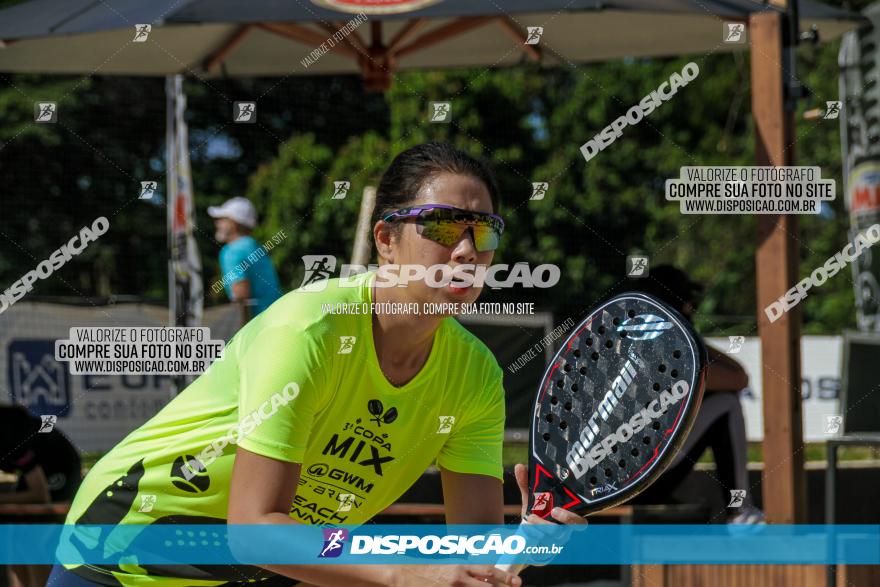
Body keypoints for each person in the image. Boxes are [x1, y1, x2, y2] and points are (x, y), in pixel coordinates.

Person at [50, 142, 584, 587]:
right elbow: (255, 530)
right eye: (443, 227)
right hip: (122, 548)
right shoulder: (309, 328)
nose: (467, 251)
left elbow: (472, 558)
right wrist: (404, 572)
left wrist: (520, 546)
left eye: (484, 231)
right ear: (385, 240)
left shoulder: (476, 376)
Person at [628, 265, 764, 524]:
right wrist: (692, 337)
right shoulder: (664, 345)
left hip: (610, 481)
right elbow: (738, 378)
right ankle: (740, 511)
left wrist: (693, 339)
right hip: (639, 479)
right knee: (727, 403)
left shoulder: (632, 334)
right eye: (688, 302)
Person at [0, 406, 81, 587]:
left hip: (61, 464)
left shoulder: (10, 436)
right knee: (11, 543)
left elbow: (39, 495)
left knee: (30, 539)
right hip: (38, 465)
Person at [209, 196, 282, 324]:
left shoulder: (231, 251)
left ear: (233, 223)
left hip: (259, 324)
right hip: (278, 315)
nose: (217, 223)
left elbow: (241, 295)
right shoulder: (254, 246)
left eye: (222, 219)